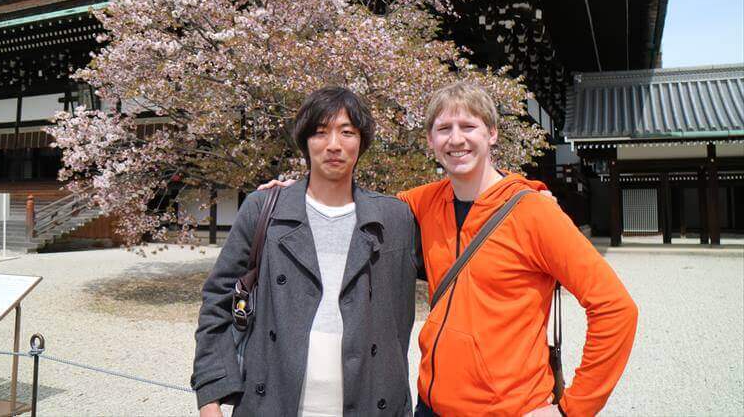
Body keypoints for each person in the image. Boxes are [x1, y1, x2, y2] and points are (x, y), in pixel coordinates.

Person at [262, 81, 638, 417]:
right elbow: (352, 207)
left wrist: (573, 409)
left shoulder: (534, 212)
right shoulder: (420, 204)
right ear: (431, 141)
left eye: (468, 127)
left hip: (507, 408)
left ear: (491, 134)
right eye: (444, 129)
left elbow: (615, 308)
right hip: (431, 403)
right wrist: (295, 194)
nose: (456, 140)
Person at [192, 87, 421, 416]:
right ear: (304, 142)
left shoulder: (395, 218)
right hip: (274, 400)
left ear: (362, 142)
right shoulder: (265, 209)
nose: (333, 145)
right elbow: (218, 300)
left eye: (347, 132)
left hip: (370, 400)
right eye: (320, 132)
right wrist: (210, 398)